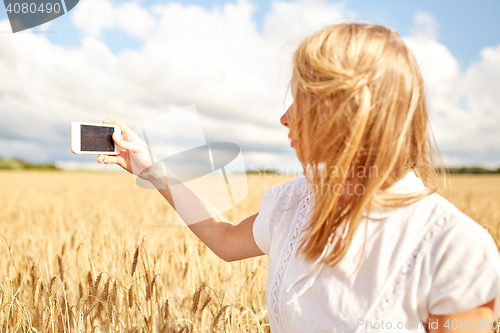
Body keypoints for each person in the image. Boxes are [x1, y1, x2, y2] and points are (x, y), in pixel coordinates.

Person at [97, 23, 500, 332]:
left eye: (302, 98)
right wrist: (150, 168)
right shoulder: (295, 202)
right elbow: (223, 237)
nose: (284, 116)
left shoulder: (456, 249)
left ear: (350, 110)